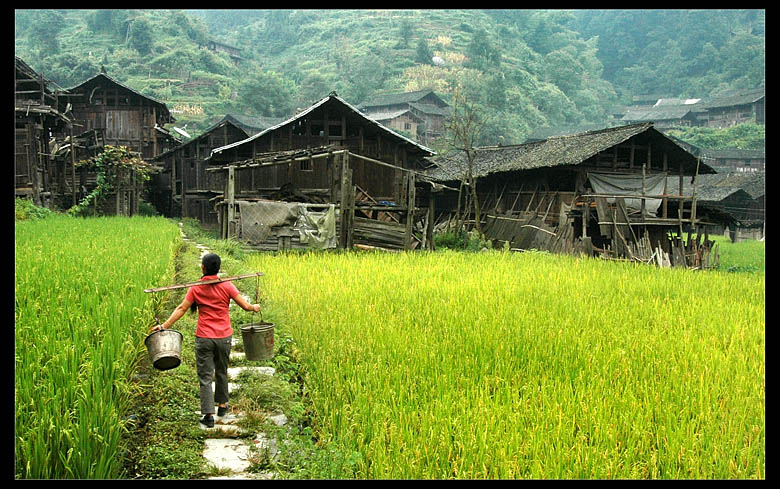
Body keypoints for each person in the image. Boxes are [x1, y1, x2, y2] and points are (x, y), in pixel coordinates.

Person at [150, 253, 261, 428]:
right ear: (218, 268)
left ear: (203, 268)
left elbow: (182, 308)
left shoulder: (195, 288)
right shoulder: (227, 285)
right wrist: (255, 307)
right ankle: (223, 405)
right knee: (222, 370)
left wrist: (164, 325)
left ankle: (208, 414)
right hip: (224, 336)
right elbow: (246, 306)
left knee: (205, 376)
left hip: (204, 338)